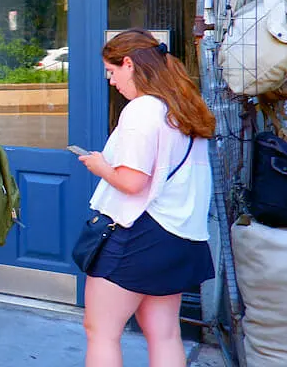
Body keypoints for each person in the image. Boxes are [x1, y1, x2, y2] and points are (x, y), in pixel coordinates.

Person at [80, 30, 215, 367]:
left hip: (138, 234)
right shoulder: (184, 108)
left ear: (129, 64)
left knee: (101, 331)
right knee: (165, 331)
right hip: (181, 234)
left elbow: (132, 181)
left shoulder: (141, 110)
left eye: (112, 72)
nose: (112, 82)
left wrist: (100, 167)